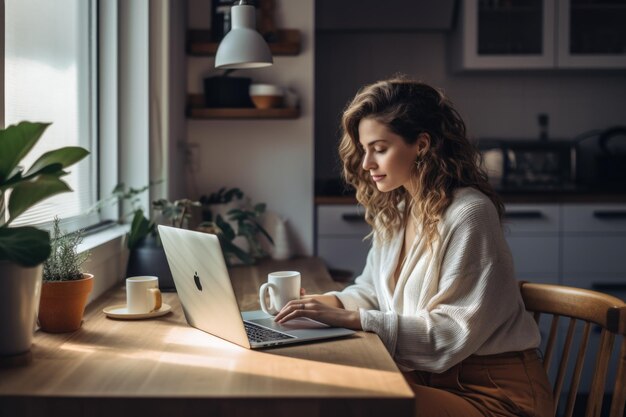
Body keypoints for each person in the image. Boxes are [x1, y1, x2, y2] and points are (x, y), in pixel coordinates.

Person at [274, 77, 554, 417]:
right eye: (364, 150)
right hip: (429, 378)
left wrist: (351, 319)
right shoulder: (401, 209)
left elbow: (449, 335)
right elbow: (372, 291)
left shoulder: (469, 213)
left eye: (379, 149)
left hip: (493, 395)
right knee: (322, 380)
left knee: (349, 399)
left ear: (421, 144)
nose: (366, 164)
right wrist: (321, 304)